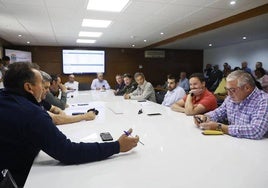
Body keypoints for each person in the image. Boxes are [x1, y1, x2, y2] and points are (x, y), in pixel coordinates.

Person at [0, 62, 139, 187]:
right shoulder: (31, 114)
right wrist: (117, 146)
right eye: (41, 84)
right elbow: (68, 152)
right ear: (29, 87)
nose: (45, 89)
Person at [194, 70, 268, 139]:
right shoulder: (231, 98)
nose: (228, 94)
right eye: (227, 89)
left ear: (247, 88)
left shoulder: (263, 100)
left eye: (232, 90)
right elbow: (219, 112)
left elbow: (256, 130)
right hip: (235, 142)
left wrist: (220, 127)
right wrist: (205, 117)